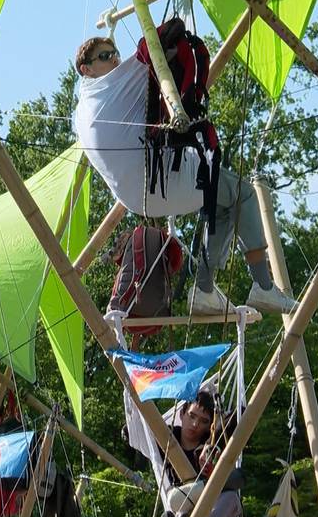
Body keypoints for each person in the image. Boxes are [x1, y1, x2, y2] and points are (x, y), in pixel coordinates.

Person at [73, 36, 298, 315]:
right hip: (162, 182)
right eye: (106, 56)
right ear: (86, 69)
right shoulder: (111, 89)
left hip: (140, 196)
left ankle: (205, 290)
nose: (116, 60)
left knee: (223, 204)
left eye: (116, 53)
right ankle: (262, 287)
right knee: (244, 193)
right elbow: (154, 46)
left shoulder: (81, 111)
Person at [161, 392, 242, 517]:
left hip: (218, 508)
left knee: (231, 497)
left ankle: (216, 485)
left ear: (210, 425)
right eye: (191, 416)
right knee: (172, 506)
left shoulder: (212, 443)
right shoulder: (166, 439)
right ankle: (215, 484)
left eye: (203, 421)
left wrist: (211, 443)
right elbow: (141, 430)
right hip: (185, 508)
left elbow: (241, 413)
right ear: (182, 414)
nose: (195, 424)